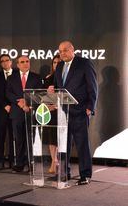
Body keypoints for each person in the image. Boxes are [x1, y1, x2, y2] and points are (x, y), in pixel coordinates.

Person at [48, 40, 98, 185]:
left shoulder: (84, 63)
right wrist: (52, 90)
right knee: (63, 144)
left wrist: (91, 107)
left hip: (80, 110)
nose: (62, 53)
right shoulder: (60, 66)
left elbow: (92, 86)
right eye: (60, 51)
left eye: (65, 50)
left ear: (72, 50)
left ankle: (85, 175)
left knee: (82, 144)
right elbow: (58, 88)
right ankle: (64, 173)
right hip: (63, 112)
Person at [6, 55, 42, 172]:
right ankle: (20, 163)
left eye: (27, 61)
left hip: (31, 111)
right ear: (18, 65)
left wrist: (28, 103)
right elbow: (8, 93)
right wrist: (19, 102)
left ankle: (31, 163)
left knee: (30, 139)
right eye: (22, 62)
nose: (25, 63)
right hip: (17, 112)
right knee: (19, 139)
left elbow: (39, 94)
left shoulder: (36, 77)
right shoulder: (11, 78)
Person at [0, 54, 14, 170]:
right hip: (1, 110)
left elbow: (18, 92)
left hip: (15, 110)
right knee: (0, 136)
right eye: (2, 61)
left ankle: (12, 161)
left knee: (13, 137)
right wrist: (5, 105)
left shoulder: (16, 74)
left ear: (11, 62)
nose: (5, 62)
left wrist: (12, 105)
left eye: (7, 60)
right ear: (1, 64)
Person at [42, 54, 61, 174]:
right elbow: (42, 95)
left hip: (62, 111)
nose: (56, 65)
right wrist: (48, 105)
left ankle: (57, 161)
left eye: (59, 62)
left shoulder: (66, 77)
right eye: (54, 62)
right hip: (50, 111)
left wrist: (57, 106)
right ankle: (54, 160)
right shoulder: (48, 78)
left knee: (59, 137)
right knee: (51, 138)